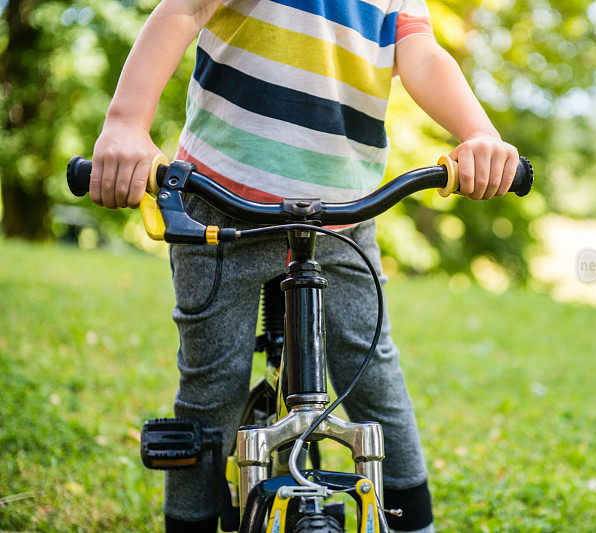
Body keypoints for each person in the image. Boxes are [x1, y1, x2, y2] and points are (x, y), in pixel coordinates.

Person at [89, 0, 519, 531]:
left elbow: (421, 55)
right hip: (223, 202)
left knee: (373, 376)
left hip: (342, 217)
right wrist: (126, 123)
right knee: (212, 390)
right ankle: (190, 520)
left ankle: (414, 523)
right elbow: (183, 10)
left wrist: (478, 133)